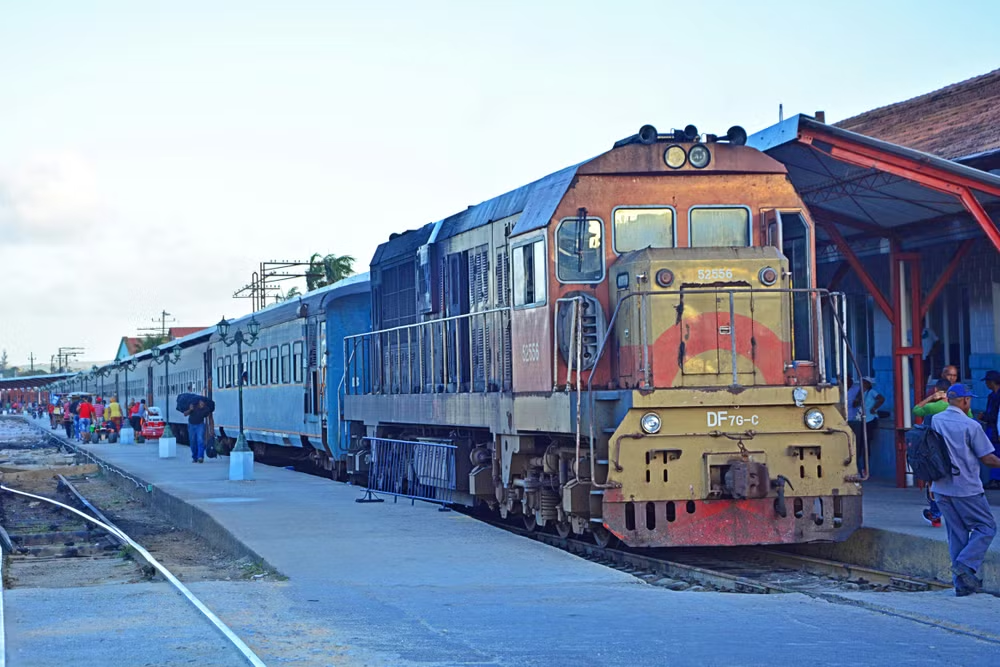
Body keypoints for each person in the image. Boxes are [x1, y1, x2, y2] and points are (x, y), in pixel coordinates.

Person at [930, 384, 1000, 596]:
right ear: (965, 401)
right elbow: (987, 458)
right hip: (966, 488)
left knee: (957, 534)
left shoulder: (936, 420)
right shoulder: (971, 425)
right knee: (986, 527)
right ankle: (964, 564)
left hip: (941, 488)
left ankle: (962, 586)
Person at [853, 377, 884, 475]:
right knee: (860, 444)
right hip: (862, 420)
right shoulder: (862, 393)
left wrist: (874, 408)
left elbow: (881, 398)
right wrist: (858, 396)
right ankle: (860, 467)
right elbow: (854, 404)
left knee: (866, 444)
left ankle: (866, 468)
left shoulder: (872, 392)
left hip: (870, 419)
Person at [978, 370, 1000, 489]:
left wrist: (984, 416)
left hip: (996, 428)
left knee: (996, 453)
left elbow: (995, 415)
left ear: (992, 382)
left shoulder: (997, 397)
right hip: (992, 429)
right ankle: (995, 478)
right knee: (993, 452)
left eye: (987, 382)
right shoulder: (992, 396)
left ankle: (996, 479)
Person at [184, 398, 214, 463]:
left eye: (203, 403)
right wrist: (190, 410)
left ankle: (200, 457)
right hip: (191, 425)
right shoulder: (193, 405)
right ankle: (194, 457)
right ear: (199, 402)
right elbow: (185, 414)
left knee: (200, 440)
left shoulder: (206, 409)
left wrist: (211, 429)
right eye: (201, 403)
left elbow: (210, 418)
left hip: (200, 425)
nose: (202, 404)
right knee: (192, 441)